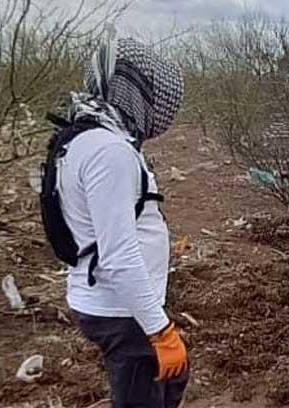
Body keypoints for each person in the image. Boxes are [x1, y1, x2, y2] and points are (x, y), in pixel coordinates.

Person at [58, 37, 188, 408]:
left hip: (116, 302)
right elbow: (117, 253)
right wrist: (160, 330)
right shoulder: (109, 151)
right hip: (120, 310)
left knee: (172, 379)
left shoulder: (85, 136)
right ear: (134, 91)